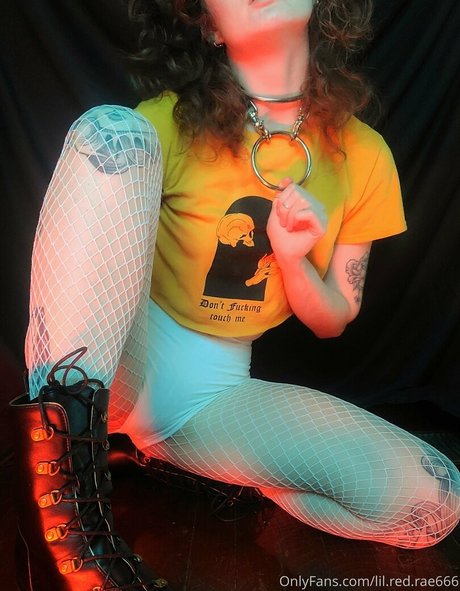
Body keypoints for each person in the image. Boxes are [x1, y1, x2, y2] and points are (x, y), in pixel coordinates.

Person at [10, 0, 460, 589]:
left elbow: (333, 319)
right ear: (209, 26)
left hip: (212, 393)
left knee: (433, 504)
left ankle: (183, 460)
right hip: (118, 348)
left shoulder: (365, 155)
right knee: (113, 133)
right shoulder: (164, 123)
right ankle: (58, 532)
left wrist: (294, 260)